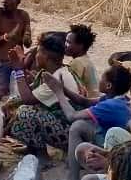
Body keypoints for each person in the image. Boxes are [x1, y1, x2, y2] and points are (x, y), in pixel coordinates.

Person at [45, 65, 131, 180]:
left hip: (114, 148)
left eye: (102, 78)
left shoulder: (111, 105)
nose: (99, 80)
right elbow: (85, 101)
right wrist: (62, 88)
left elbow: (71, 116)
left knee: (77, 127)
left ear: (108, 86)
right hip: (117, 142)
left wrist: (58, 92)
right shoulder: (118, 99)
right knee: (83, 124)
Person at [6, 34, 79, 162]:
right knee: (13, 103)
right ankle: (32, 148)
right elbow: (27, 93)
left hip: (70, 133)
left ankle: (42, 155)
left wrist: (18, 69)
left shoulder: (57, 77)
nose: (36, 56)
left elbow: (27, 99)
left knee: (25, 112)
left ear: (46, 56)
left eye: (38, 52)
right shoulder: (52, 72)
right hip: (63, 125)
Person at [0, 0, 32, 101]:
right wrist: (6, 37)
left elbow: (27, 43)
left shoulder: (23, 15)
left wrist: (27, 39)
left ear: (18, 1)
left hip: (18, 64)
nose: (4, 1)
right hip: (2, 64)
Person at [65, 24, 99, 95]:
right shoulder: (86, 60)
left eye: (69, 42)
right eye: (66, 41)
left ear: (81, 45)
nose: (65, 45)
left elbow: (69, 88)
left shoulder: (77, 62)